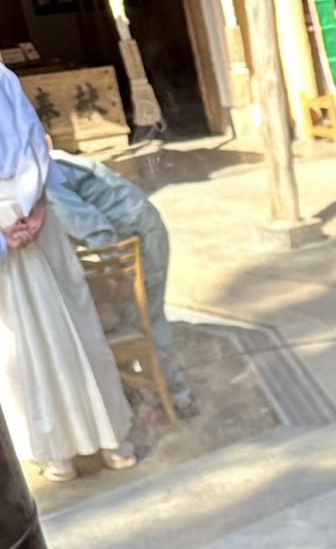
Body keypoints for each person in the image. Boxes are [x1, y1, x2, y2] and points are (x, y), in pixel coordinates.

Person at [0, 66, 135, 483]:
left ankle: (70, 448)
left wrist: (21, 218)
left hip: (28, 220)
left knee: (43, 336)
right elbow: (34, 144)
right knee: (35, 339)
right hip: (32, 216)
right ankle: (101, 441)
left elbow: (34, 141)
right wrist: (32, 209)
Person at [48, 150, 194, 417]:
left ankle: (176, 397)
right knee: (133, 316)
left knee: (146, 319)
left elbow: (94, 228)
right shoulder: (36, 164)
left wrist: (116, 273)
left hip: (136, 233)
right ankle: (150, 393)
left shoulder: (41, 178)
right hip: (129, 230)